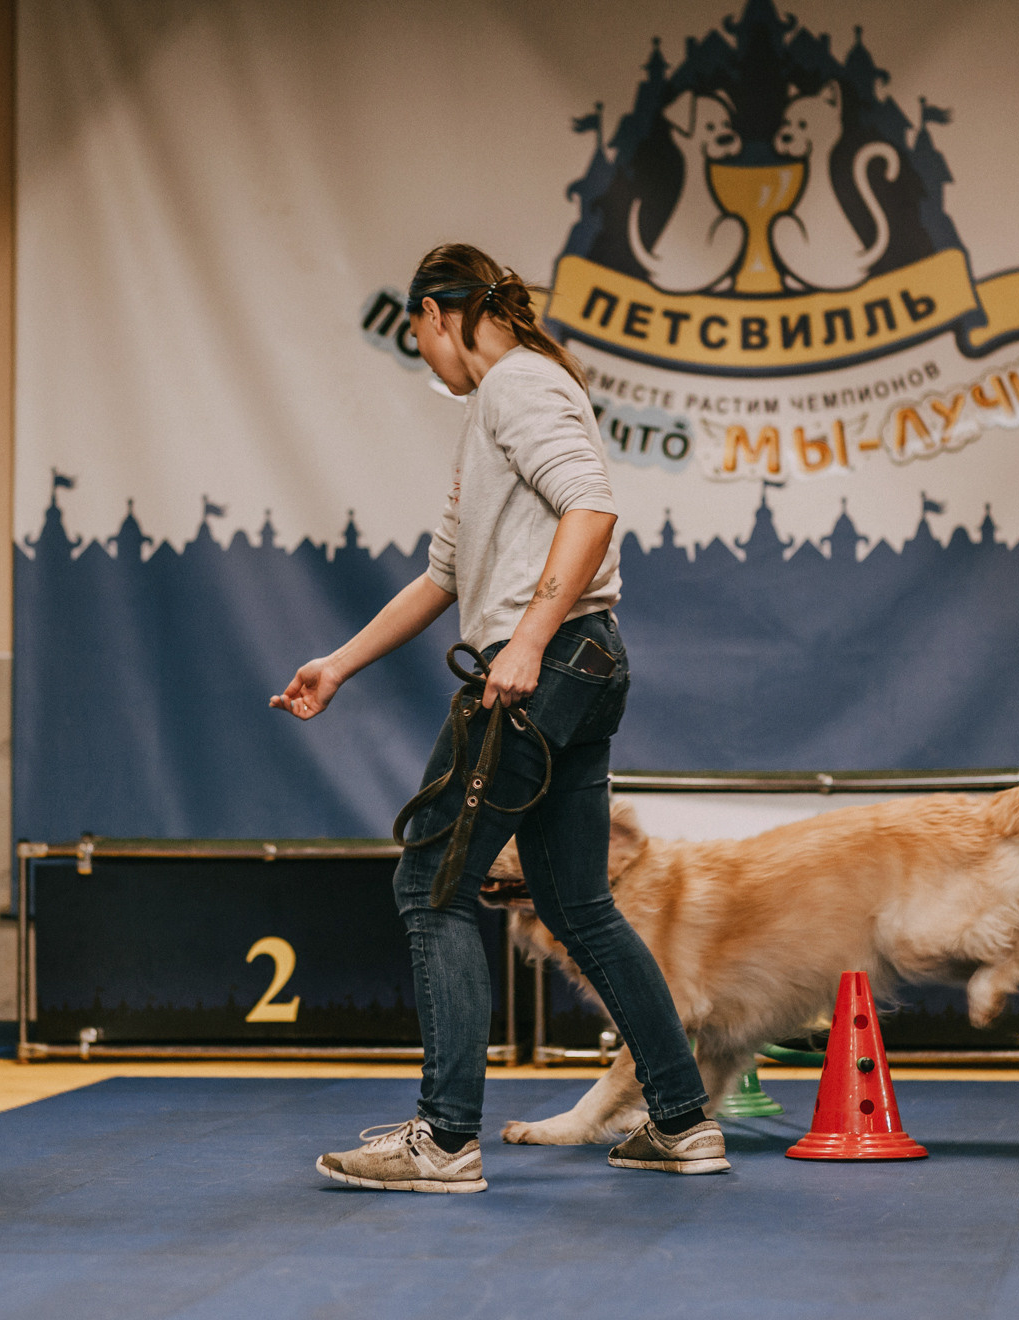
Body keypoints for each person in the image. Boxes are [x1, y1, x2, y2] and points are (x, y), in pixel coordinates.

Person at [271, 243, 720, 1192]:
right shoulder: (504, 406)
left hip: (545, 667)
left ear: (441, 314)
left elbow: (592, 512)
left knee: (431, 883)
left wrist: (525, 640)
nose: (424, 358)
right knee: (578, 904)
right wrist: (338, 665)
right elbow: (443, 575)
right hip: (581, 663)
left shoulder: (518, 386)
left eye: (418, 337)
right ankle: (682, 1120)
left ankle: (444, 1138)